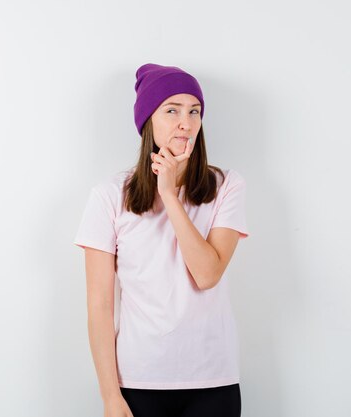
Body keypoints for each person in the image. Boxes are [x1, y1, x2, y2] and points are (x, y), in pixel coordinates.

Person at [74, 63, 249, 417]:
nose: (186, 122)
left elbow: (207, 274)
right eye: (172, 110)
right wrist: (110, 396)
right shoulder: (109, 195)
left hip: (212, 381)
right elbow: (100, 306)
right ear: (148, 122)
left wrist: (169, 195)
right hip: (138, 382)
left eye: (194, 111)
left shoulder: (227, 186)